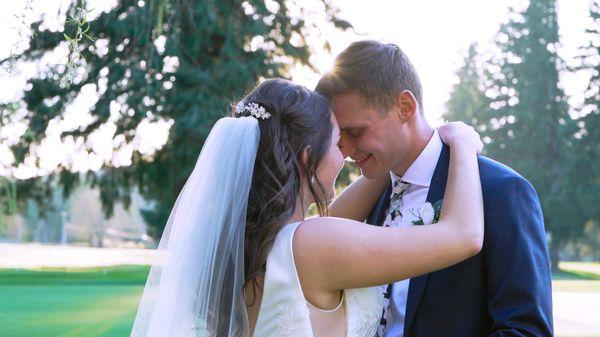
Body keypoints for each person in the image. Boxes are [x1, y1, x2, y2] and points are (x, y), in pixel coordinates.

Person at [130, 78, 485, 337]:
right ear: (306, 157)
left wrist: (395, 144)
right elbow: (463, 235)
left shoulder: (254, 242)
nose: (346, 155)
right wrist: (464, 143)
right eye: (336, 144)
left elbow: (354, 198)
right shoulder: (315, 244)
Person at [315, 40, 553, 337]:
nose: (346, 150)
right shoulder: (375, 194)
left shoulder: (501, 192)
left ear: (405, 107)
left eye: (355, 132)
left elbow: (526, 331)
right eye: (340, 137)